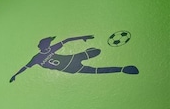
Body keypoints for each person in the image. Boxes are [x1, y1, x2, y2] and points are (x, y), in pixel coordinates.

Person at [9, 35, 138, 83]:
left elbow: (66, 40)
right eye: (48, 42)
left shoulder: (50, 49)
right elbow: (25, 67)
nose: (49, 44)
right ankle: (122, 69)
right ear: (44, 45)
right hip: (70, 67)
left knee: (96, 53)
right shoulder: (37, 58)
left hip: (71, 62)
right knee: (95, 71)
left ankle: (90, 52)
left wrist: (83, 37)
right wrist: (15, 75)